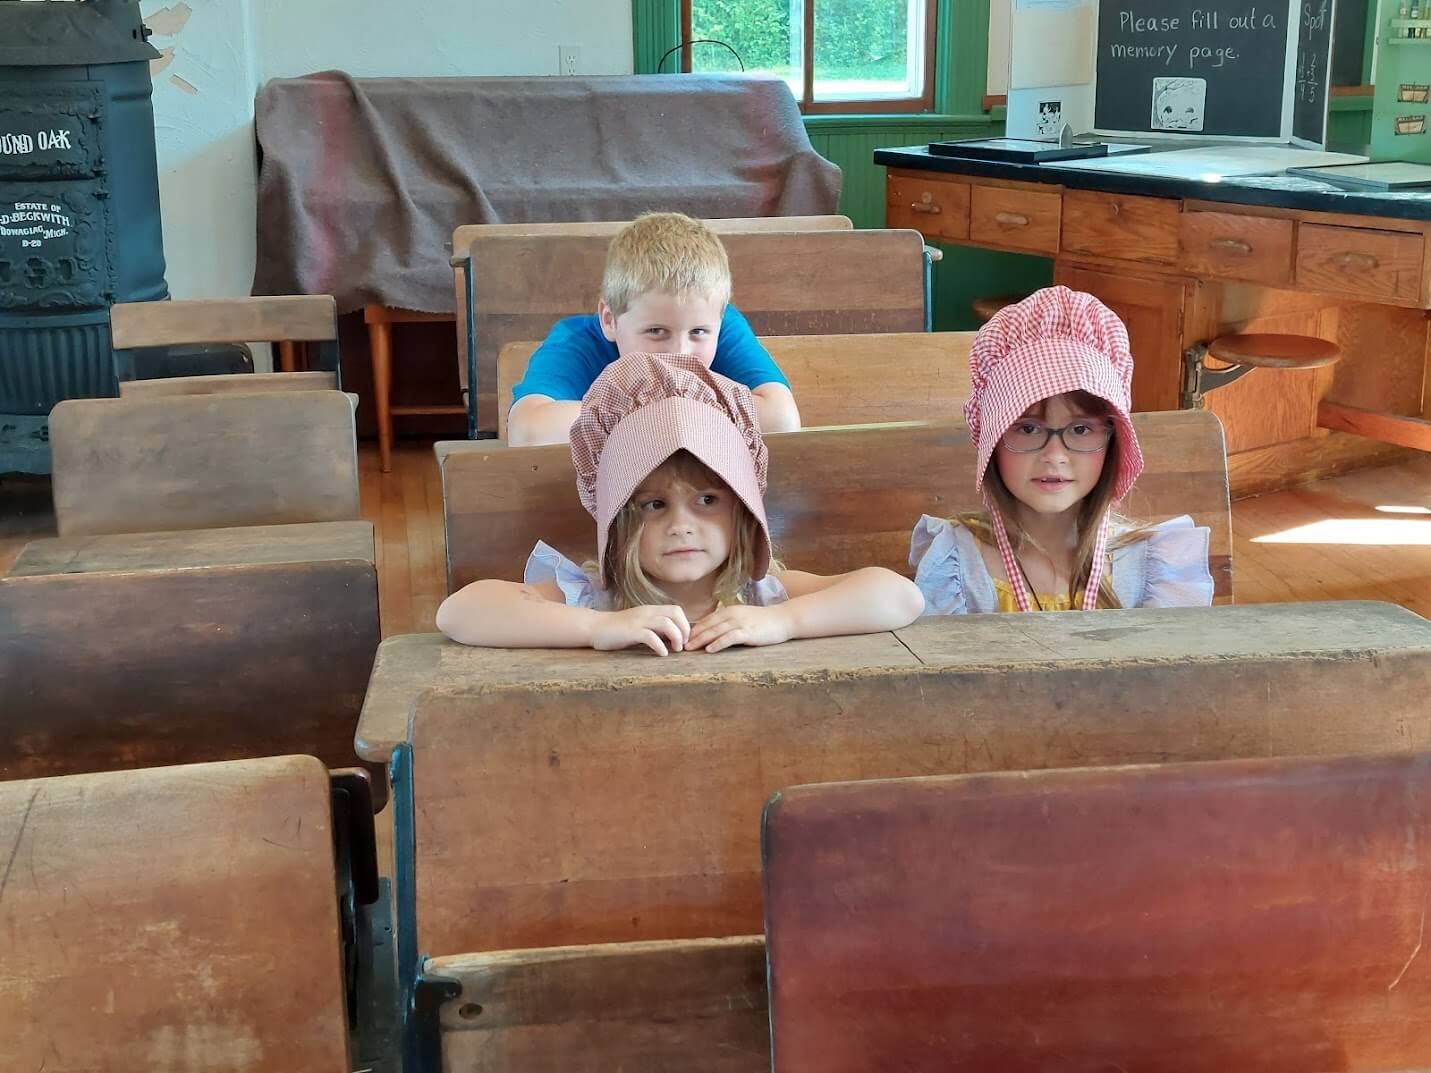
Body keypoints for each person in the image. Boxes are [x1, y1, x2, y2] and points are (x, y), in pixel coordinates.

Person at [438, 352, 923, 653]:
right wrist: (594, 629)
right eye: (653, 505)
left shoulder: (762, 594)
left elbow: (900, 596)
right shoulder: (596, 597)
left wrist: (784, 622)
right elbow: (460, 612)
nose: (682, 525)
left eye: (707, 499)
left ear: (743, 509)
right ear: (617, 520)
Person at [909, 286, 1214, 613]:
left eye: (1081, 429)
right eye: (1028, 428)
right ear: (993, 440)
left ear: (1113, 440)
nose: (1054, 454)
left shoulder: (1154, 564)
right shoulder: (955, 563)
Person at [506, 212, 801, 445]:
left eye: (698, 333)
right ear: (609, 319)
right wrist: (669, 407)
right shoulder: (576, 342)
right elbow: (528, 431)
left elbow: (782, 420)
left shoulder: (721, 324)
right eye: (657, 332)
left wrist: (655, 410)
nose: (680, 353)